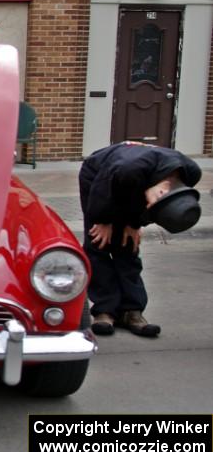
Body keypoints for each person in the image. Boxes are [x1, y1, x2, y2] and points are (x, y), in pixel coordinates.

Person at [79, 141, 201, 337]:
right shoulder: (128, 168)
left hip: (136, 181)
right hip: (99, 176)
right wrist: (103, 220)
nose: (148, 208)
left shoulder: (191, 172)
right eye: (150, 206)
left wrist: (135, 224)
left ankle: (131, 311)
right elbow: (104, 189)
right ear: (161, 191)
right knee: (98, 242)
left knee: (128, 244)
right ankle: (105, 310)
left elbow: (156, 206)